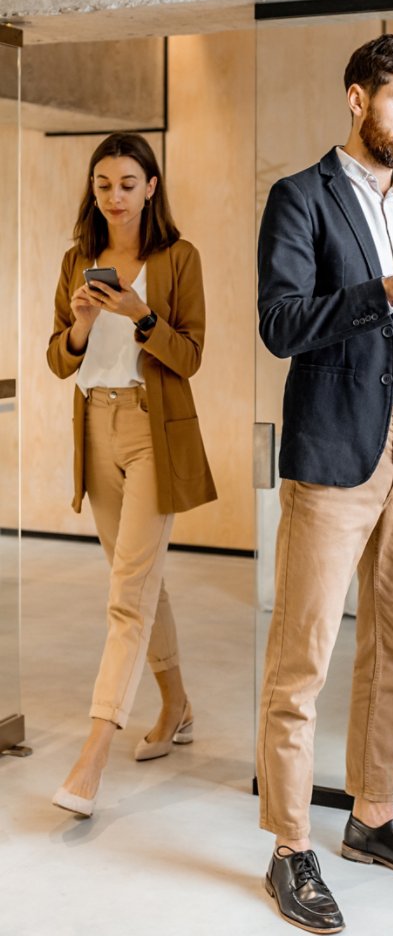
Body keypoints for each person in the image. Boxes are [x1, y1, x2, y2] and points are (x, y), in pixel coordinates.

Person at [256, 33, 393, 934]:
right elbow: (282, 322)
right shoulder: (299, 197)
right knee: (302, 656)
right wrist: (388, 285)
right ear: (357, 98)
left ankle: (372, 820)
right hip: (335, 445)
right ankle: (290, 848)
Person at [47, 132, 216, 818]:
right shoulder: (77, 261)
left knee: (125, 597)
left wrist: (142, 316)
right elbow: (60, 360)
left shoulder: (178, 258)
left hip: (152, 430)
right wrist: (84, 324)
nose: (113, 196)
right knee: (139, 580)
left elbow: (192, 356)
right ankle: (176, 703)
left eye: (126, 183)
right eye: (103, 185)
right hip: (95, 427)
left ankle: (93, 755)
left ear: (152, 186)